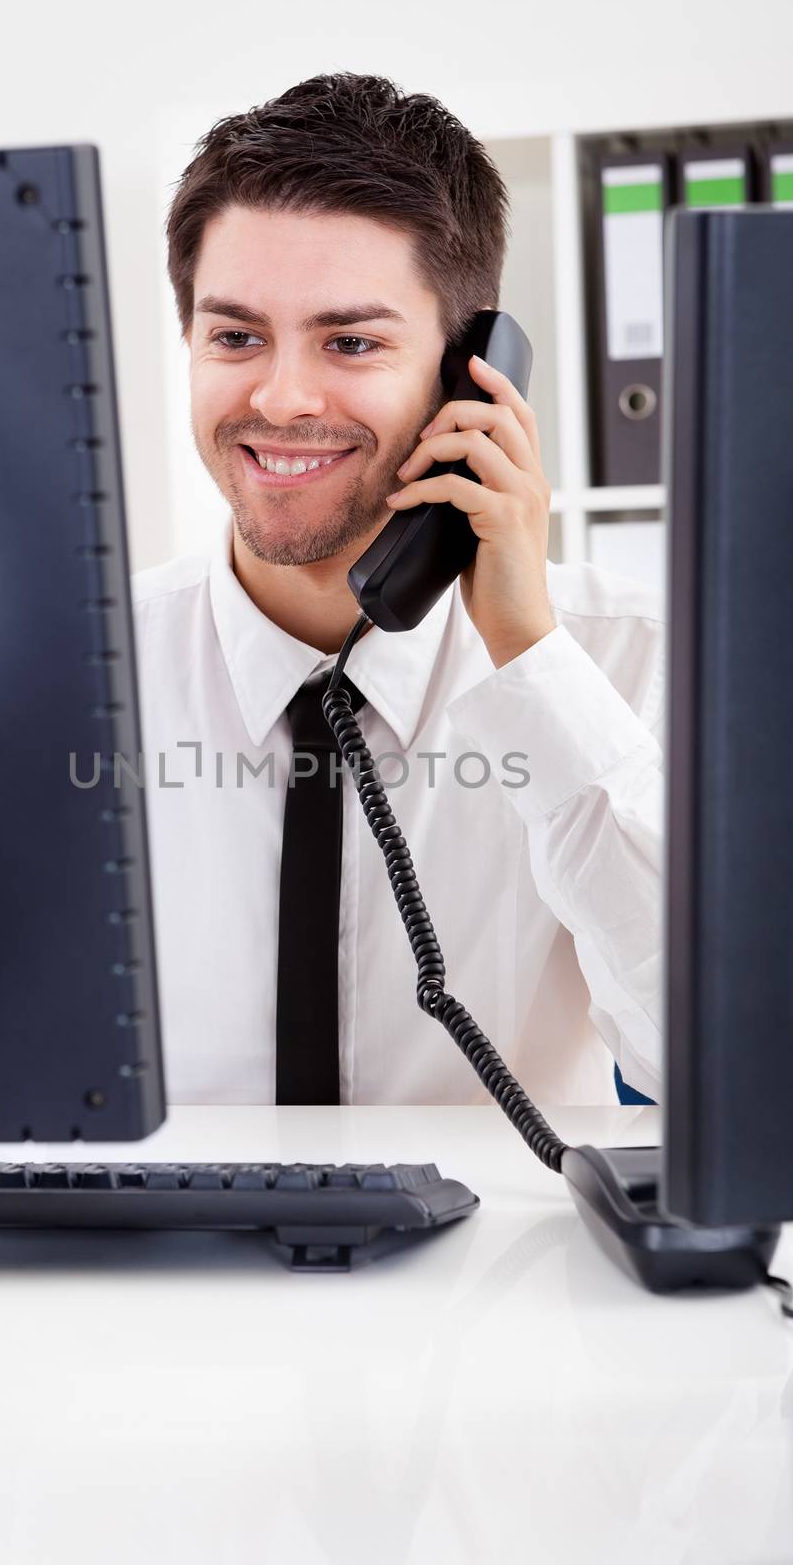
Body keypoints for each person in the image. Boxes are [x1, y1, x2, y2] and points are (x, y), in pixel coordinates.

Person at [131, 71, 664, 1106]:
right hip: (163, 1267)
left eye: (351, 342)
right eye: (234, 336)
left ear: (471, 377)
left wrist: (529, 656)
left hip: (511, 1272)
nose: (281, 397)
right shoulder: (73, 667)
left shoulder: (631, 659)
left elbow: (709, 1068)